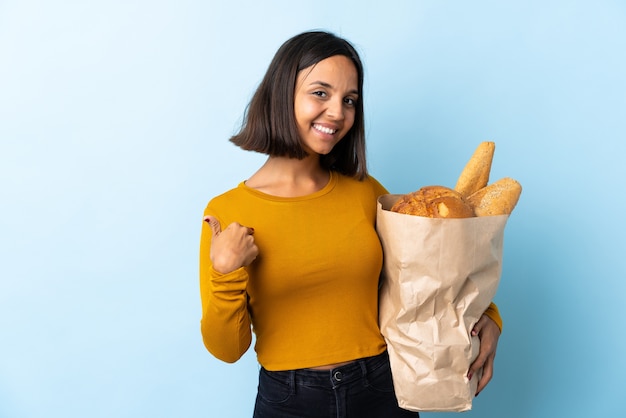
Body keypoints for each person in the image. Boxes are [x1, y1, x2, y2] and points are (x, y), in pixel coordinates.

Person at [199, 30, 502, 418]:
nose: (338, 113)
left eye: (350, 100)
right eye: (320, 93)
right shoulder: (229, 211)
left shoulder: (365, 193)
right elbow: (227, 350)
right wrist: (225, 273)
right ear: (281, 94)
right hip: (290, 401)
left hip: (381, 387)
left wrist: (490, 318)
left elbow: (432, 272)